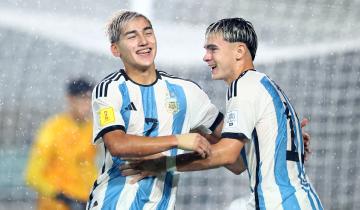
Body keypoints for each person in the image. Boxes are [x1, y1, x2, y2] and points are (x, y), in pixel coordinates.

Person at [120, 18, 323, 210]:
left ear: (239, 51)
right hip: (298, 201)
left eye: (213, 49)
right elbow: (238, 164)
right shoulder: (264, 86)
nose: (206, 57)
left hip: (280, 204)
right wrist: (196, 128)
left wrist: (163, 164)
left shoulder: (244, 87)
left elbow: (227, 154)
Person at [86, 10, 225, 210]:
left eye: (148, 33)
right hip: (113, 203)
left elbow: (233, 154)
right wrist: (178, 139)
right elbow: (117, 144)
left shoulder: (187, 93)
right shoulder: (109, 89)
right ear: (115, 49)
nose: (143, 41)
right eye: (132, 36)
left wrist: (170, 162)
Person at [25, 78, 98, 210]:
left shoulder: (92, 130)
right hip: (55, 205)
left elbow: (89, 167)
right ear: (70, 99)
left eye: (89, 100)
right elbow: (33, 175)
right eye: (82, 99)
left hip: (83, 203)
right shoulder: (52, 129)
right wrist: (62, 196)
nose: (87, 105)